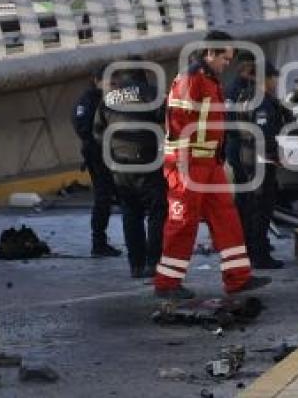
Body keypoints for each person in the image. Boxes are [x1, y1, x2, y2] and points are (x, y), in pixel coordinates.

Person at [155, 30, 268, 299]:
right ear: (209, 53)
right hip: (189, 163)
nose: (227, 64)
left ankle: (238, 277)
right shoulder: (192, 79)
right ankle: (167, 284)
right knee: (183, 222)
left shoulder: (208, 79)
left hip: (208, 164)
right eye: (224, 58)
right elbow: (178, 123)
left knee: (226, 217)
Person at [93, 60, 166, 279]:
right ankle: (154, 262)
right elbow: (169, 120)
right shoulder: (151, 93)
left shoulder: (108, 98)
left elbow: (98, 132)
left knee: (131, 212)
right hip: (149, 162)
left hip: (120, 165)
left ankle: (136, 265)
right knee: (157, 211)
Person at [242, 61, 295, 269]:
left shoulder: (248, 97)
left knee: (254, 207)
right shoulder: (261, 102)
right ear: (265, 79)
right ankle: (260, 256)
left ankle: (254, 251)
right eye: (274, 78)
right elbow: (263, 135)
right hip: (260, 160)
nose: (276, 82)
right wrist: (277, 154)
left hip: (250, 157)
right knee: (261, 208)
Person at [72, 66, 121, 258]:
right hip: (98, 156)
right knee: (103, 197)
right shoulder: (89, 101)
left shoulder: (108, 100)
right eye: (110, 82)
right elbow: (83, 128)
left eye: (115, 83)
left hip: (109, 155)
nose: (113, 86)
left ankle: (101, 241)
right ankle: (98, 242)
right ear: (97, 81)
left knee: (112, 197)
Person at [224, 51, 257, 230]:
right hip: (238, 145)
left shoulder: (251, 87)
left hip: (247, 145)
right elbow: (228, 121)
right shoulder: (234, 89)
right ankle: (243, 230)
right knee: (244, 191)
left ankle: (248, 230)